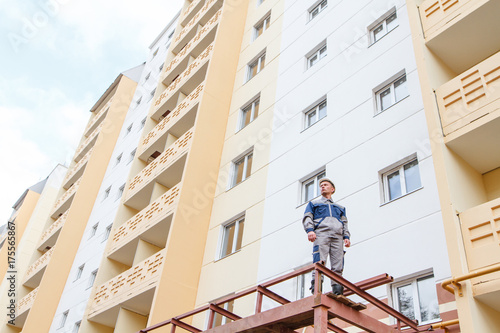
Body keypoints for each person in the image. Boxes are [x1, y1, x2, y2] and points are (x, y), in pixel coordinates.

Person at [303, 177, 351, 295]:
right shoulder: (314, 204)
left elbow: (344, 223)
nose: (322, 187)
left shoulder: (340, 208)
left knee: (338, 264)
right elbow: (307, 217)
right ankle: (316, 290)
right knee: (319, 261)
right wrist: (310, 230)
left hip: (338, 237)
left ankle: (338, 292)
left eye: (325, 185)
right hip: (321, 234)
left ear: (332, 189)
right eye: (321, 185)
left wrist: (346, 237)